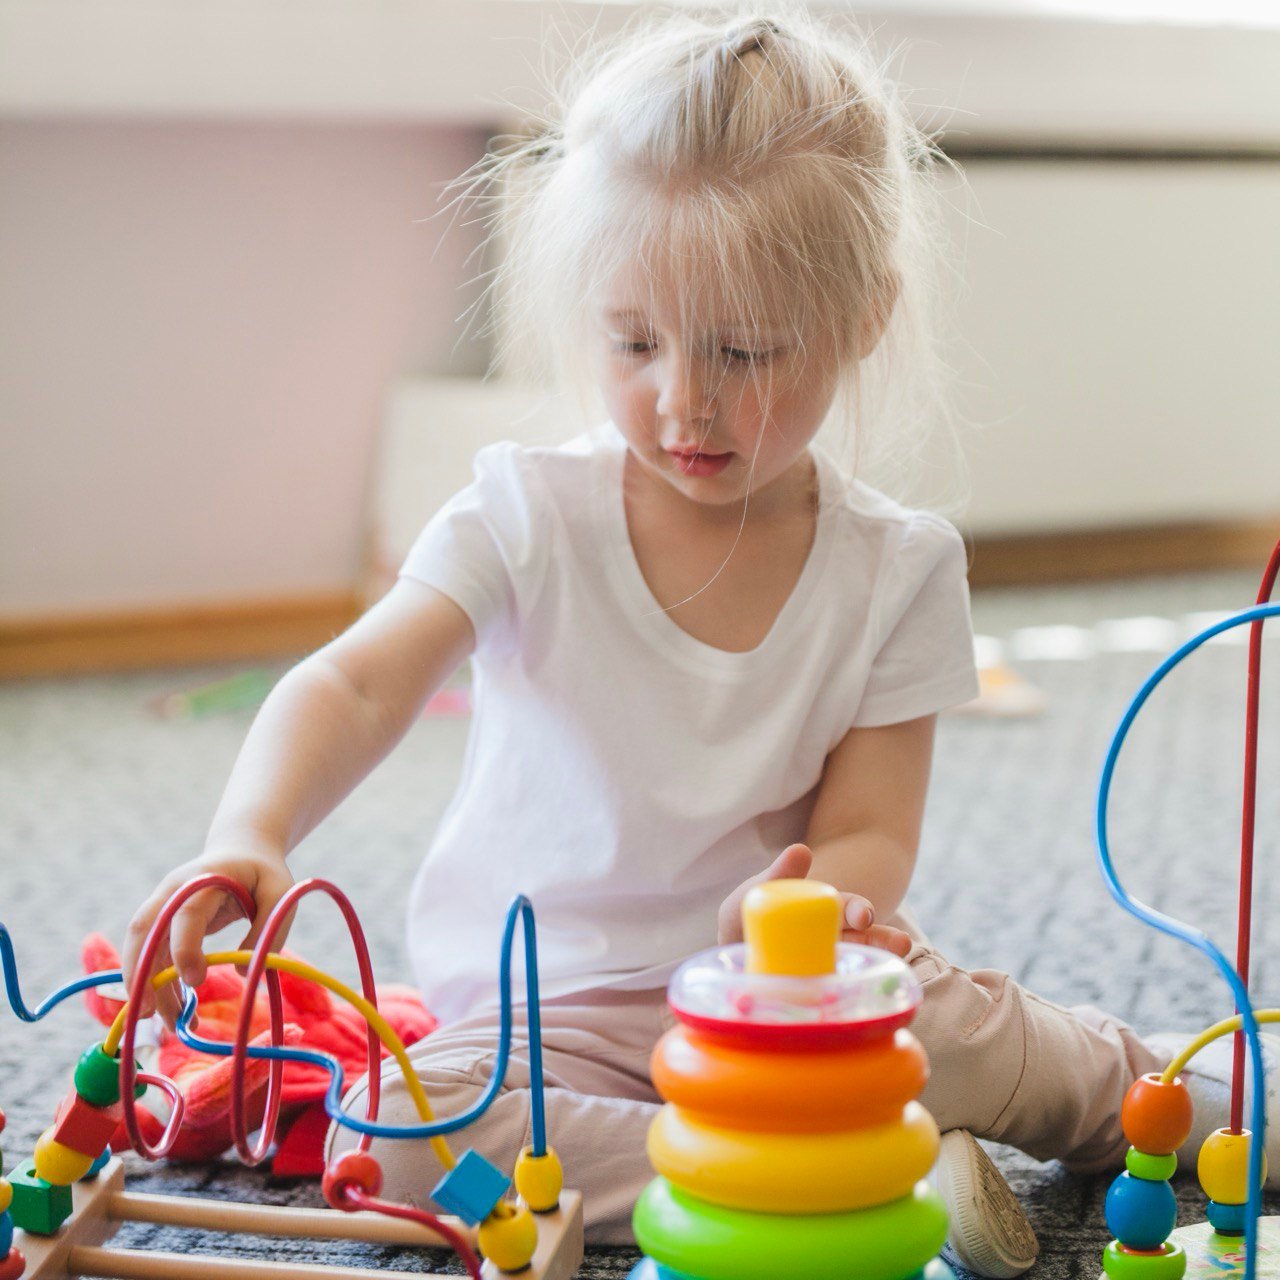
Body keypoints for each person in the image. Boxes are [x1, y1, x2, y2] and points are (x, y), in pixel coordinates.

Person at [120, 11, 1273, 1277]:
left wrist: (820, 898)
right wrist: (251, 832)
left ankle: (1194, 1101)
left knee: (995, 1040)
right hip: (540, 1018)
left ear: (862, 315)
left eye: (743, 351)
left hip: (791, 999)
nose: (684, 398)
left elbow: (875, 823)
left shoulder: (896, 567)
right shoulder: (522, 511)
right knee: (395, 1130)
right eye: (634, 342)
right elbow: (352, 679)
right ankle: (833, 1163)